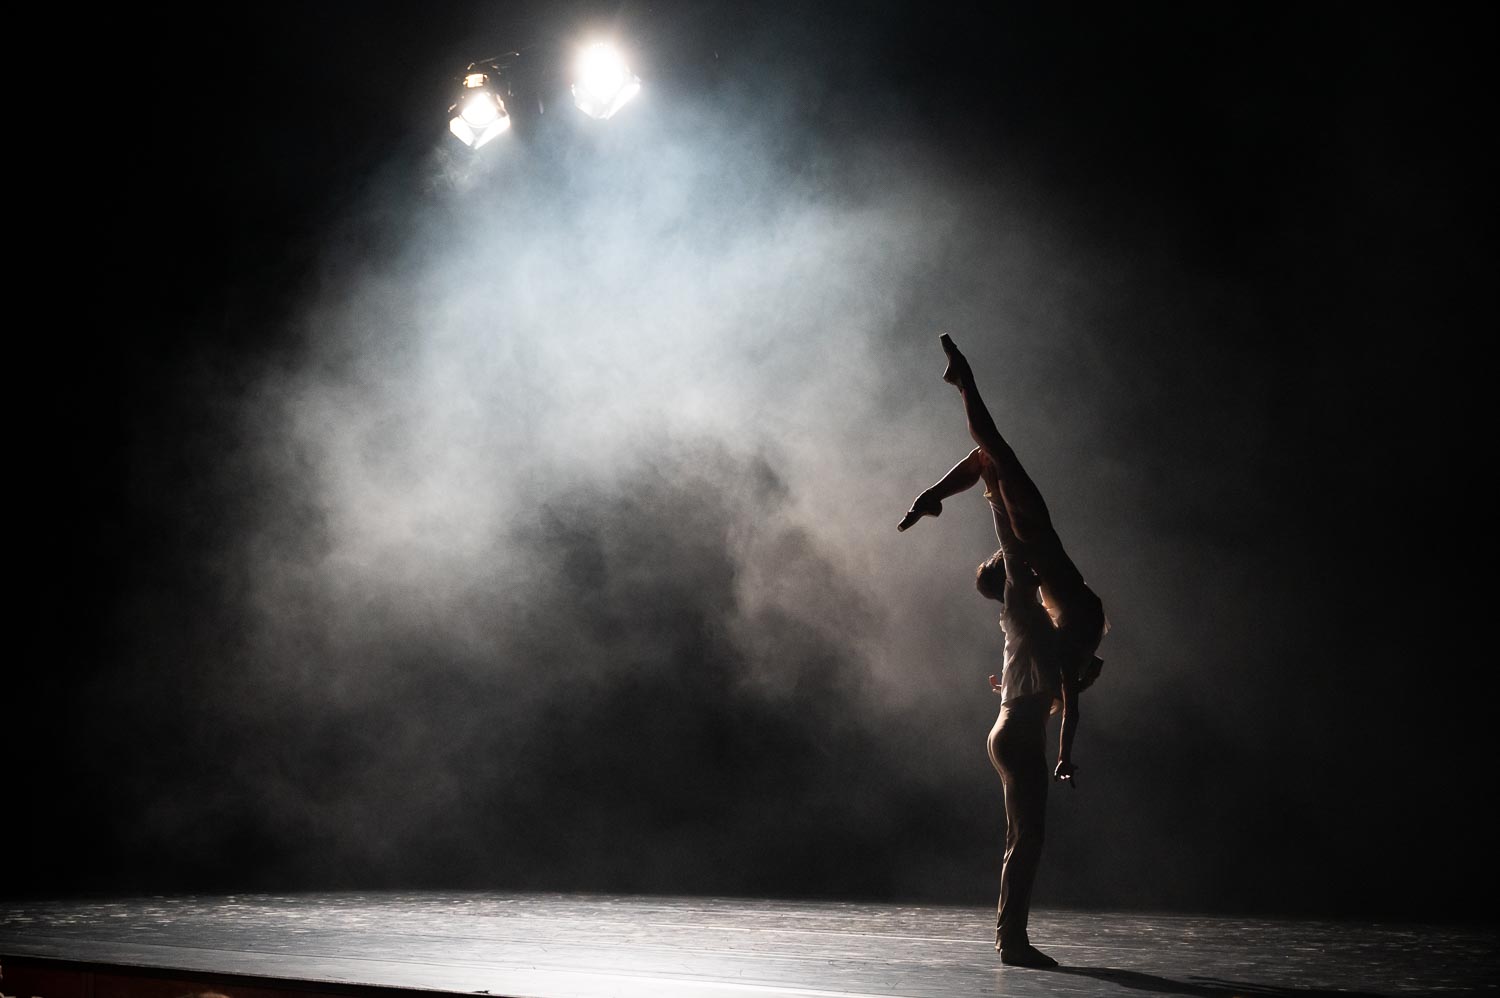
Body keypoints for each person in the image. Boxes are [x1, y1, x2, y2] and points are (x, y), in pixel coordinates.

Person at [897, 334, 1106, 969]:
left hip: (1010, 727)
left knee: (1025, 837)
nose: (1001, 552)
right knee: (1027, 838)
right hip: (1016, 733)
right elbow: (990, 455)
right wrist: (967, 385)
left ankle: (1010, 938)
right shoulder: (1028, 587)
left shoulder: (1031, 631)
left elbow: (983, 464)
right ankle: (1011, 942)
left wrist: (936, 494)